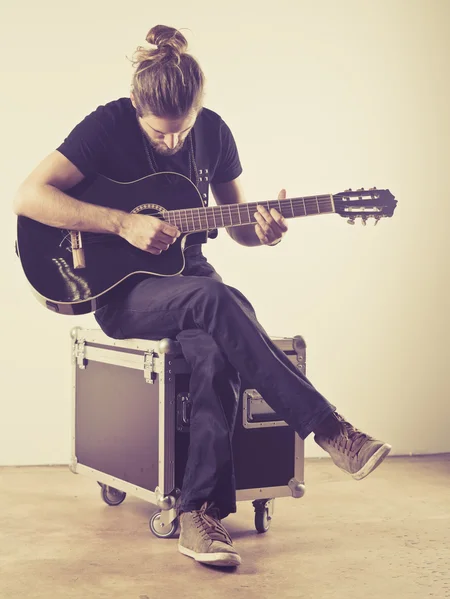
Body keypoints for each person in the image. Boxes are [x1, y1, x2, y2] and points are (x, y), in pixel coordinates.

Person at [13, 24, 392, 569]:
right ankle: (330, 430)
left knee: (216, 347)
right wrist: (121, 224)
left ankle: (198, 516)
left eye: (181, 131)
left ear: (198, 111)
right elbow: (29, 196)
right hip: (125, 292)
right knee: (221, 301)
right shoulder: (107, 124)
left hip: (189, 274)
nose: (172, 143)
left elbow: (235, 221)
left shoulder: (214, 132)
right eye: (159, 135)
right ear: (138, 110)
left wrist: (262, 230)